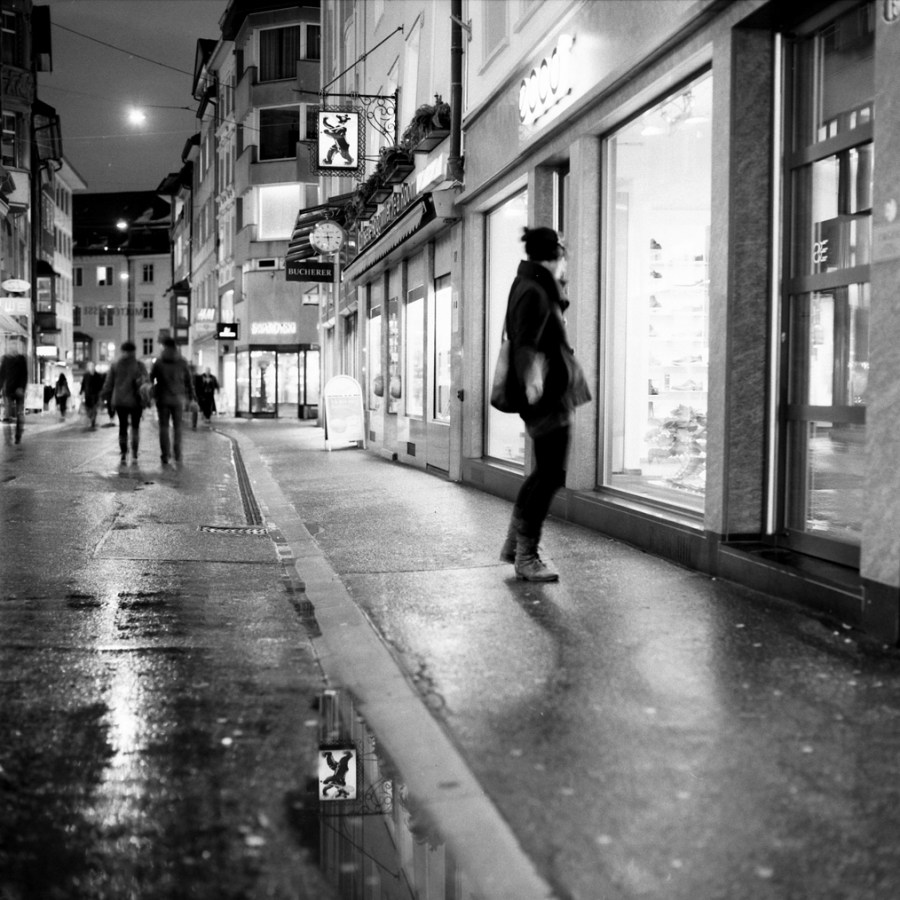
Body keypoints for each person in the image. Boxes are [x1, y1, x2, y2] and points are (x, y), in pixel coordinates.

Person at [498, 226, 591, 582]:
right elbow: (524, 341)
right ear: (556, 255)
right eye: (563, 254)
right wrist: (533, 385)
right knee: (550, 474)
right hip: (545, 397)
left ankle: (516, 547)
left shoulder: (533, 285)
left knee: (544, 473)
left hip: (547, 393)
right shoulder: (534, 290)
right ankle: (526, 556)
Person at [150, 336, 196, 466]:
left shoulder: (159, 362)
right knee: (178, 428)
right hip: (178, 399)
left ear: (164, 346)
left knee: (163, 427)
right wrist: (192, 397)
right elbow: (189, 381)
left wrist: (154, 391)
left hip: (162, 399)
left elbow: (151, 378)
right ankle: (178, 454)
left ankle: (165, 455)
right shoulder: (182, 362)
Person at [100, 341, 148, 465]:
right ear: (134, 351)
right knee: (135, 427)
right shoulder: (139, 365)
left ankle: (123, 453)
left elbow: (108, 384)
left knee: (122, 427)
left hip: (120, 401)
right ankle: (135, 452)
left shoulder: (115, 366)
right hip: (136, 401)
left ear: (122, 351)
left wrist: (104, 397)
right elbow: (146, 383)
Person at [0, 348, 28, 445]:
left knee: (19, 413)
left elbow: (24, 375)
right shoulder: (5, 359)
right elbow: (1, 376)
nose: (12, 348)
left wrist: (21, 387)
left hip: (19, 390)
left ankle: (18, 435)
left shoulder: (21, 359)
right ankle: (8, 437)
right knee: (7, 414)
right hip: (8, 390)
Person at [79, 361, 106, 429]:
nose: (91, 367)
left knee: (94, 408)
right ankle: (91, 417)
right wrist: (81, 392)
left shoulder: (98, 376)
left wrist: (100, 392)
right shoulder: (86, 375)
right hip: (87, 394)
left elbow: (101, 385)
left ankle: (93, 421)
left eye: (92, 366)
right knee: (88, 408)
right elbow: (83, 384)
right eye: (90, 366)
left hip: (95, 394)